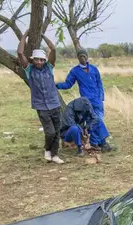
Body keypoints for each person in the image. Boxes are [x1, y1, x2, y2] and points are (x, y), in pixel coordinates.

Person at [17, 30, 63, 164]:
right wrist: (24, 36)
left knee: (57, 131)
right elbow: (20, 53)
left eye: (42, 59)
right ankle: (47, 149)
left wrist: (42, 35)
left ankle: (55, 155)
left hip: (54, 103)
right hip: (41, 105)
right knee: (50, 132)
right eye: (37, 59)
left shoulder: (49, 67)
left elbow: (53, 48)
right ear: (33, 60)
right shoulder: (29, 69)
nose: (39, 62)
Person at [56, 49, 111, 152]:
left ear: (87, 57)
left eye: (84, 56)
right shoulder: (75, 71)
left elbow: (99, 84)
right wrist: (56, 86)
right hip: (86, 103)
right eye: (80, 56)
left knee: (98, 120)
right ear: (78, 58)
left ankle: (98, 143)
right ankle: (97, 143)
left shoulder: (94, 69)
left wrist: (101, 98)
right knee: (93, 120)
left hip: (97, 101)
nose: (83, 58)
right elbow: (68, 84)